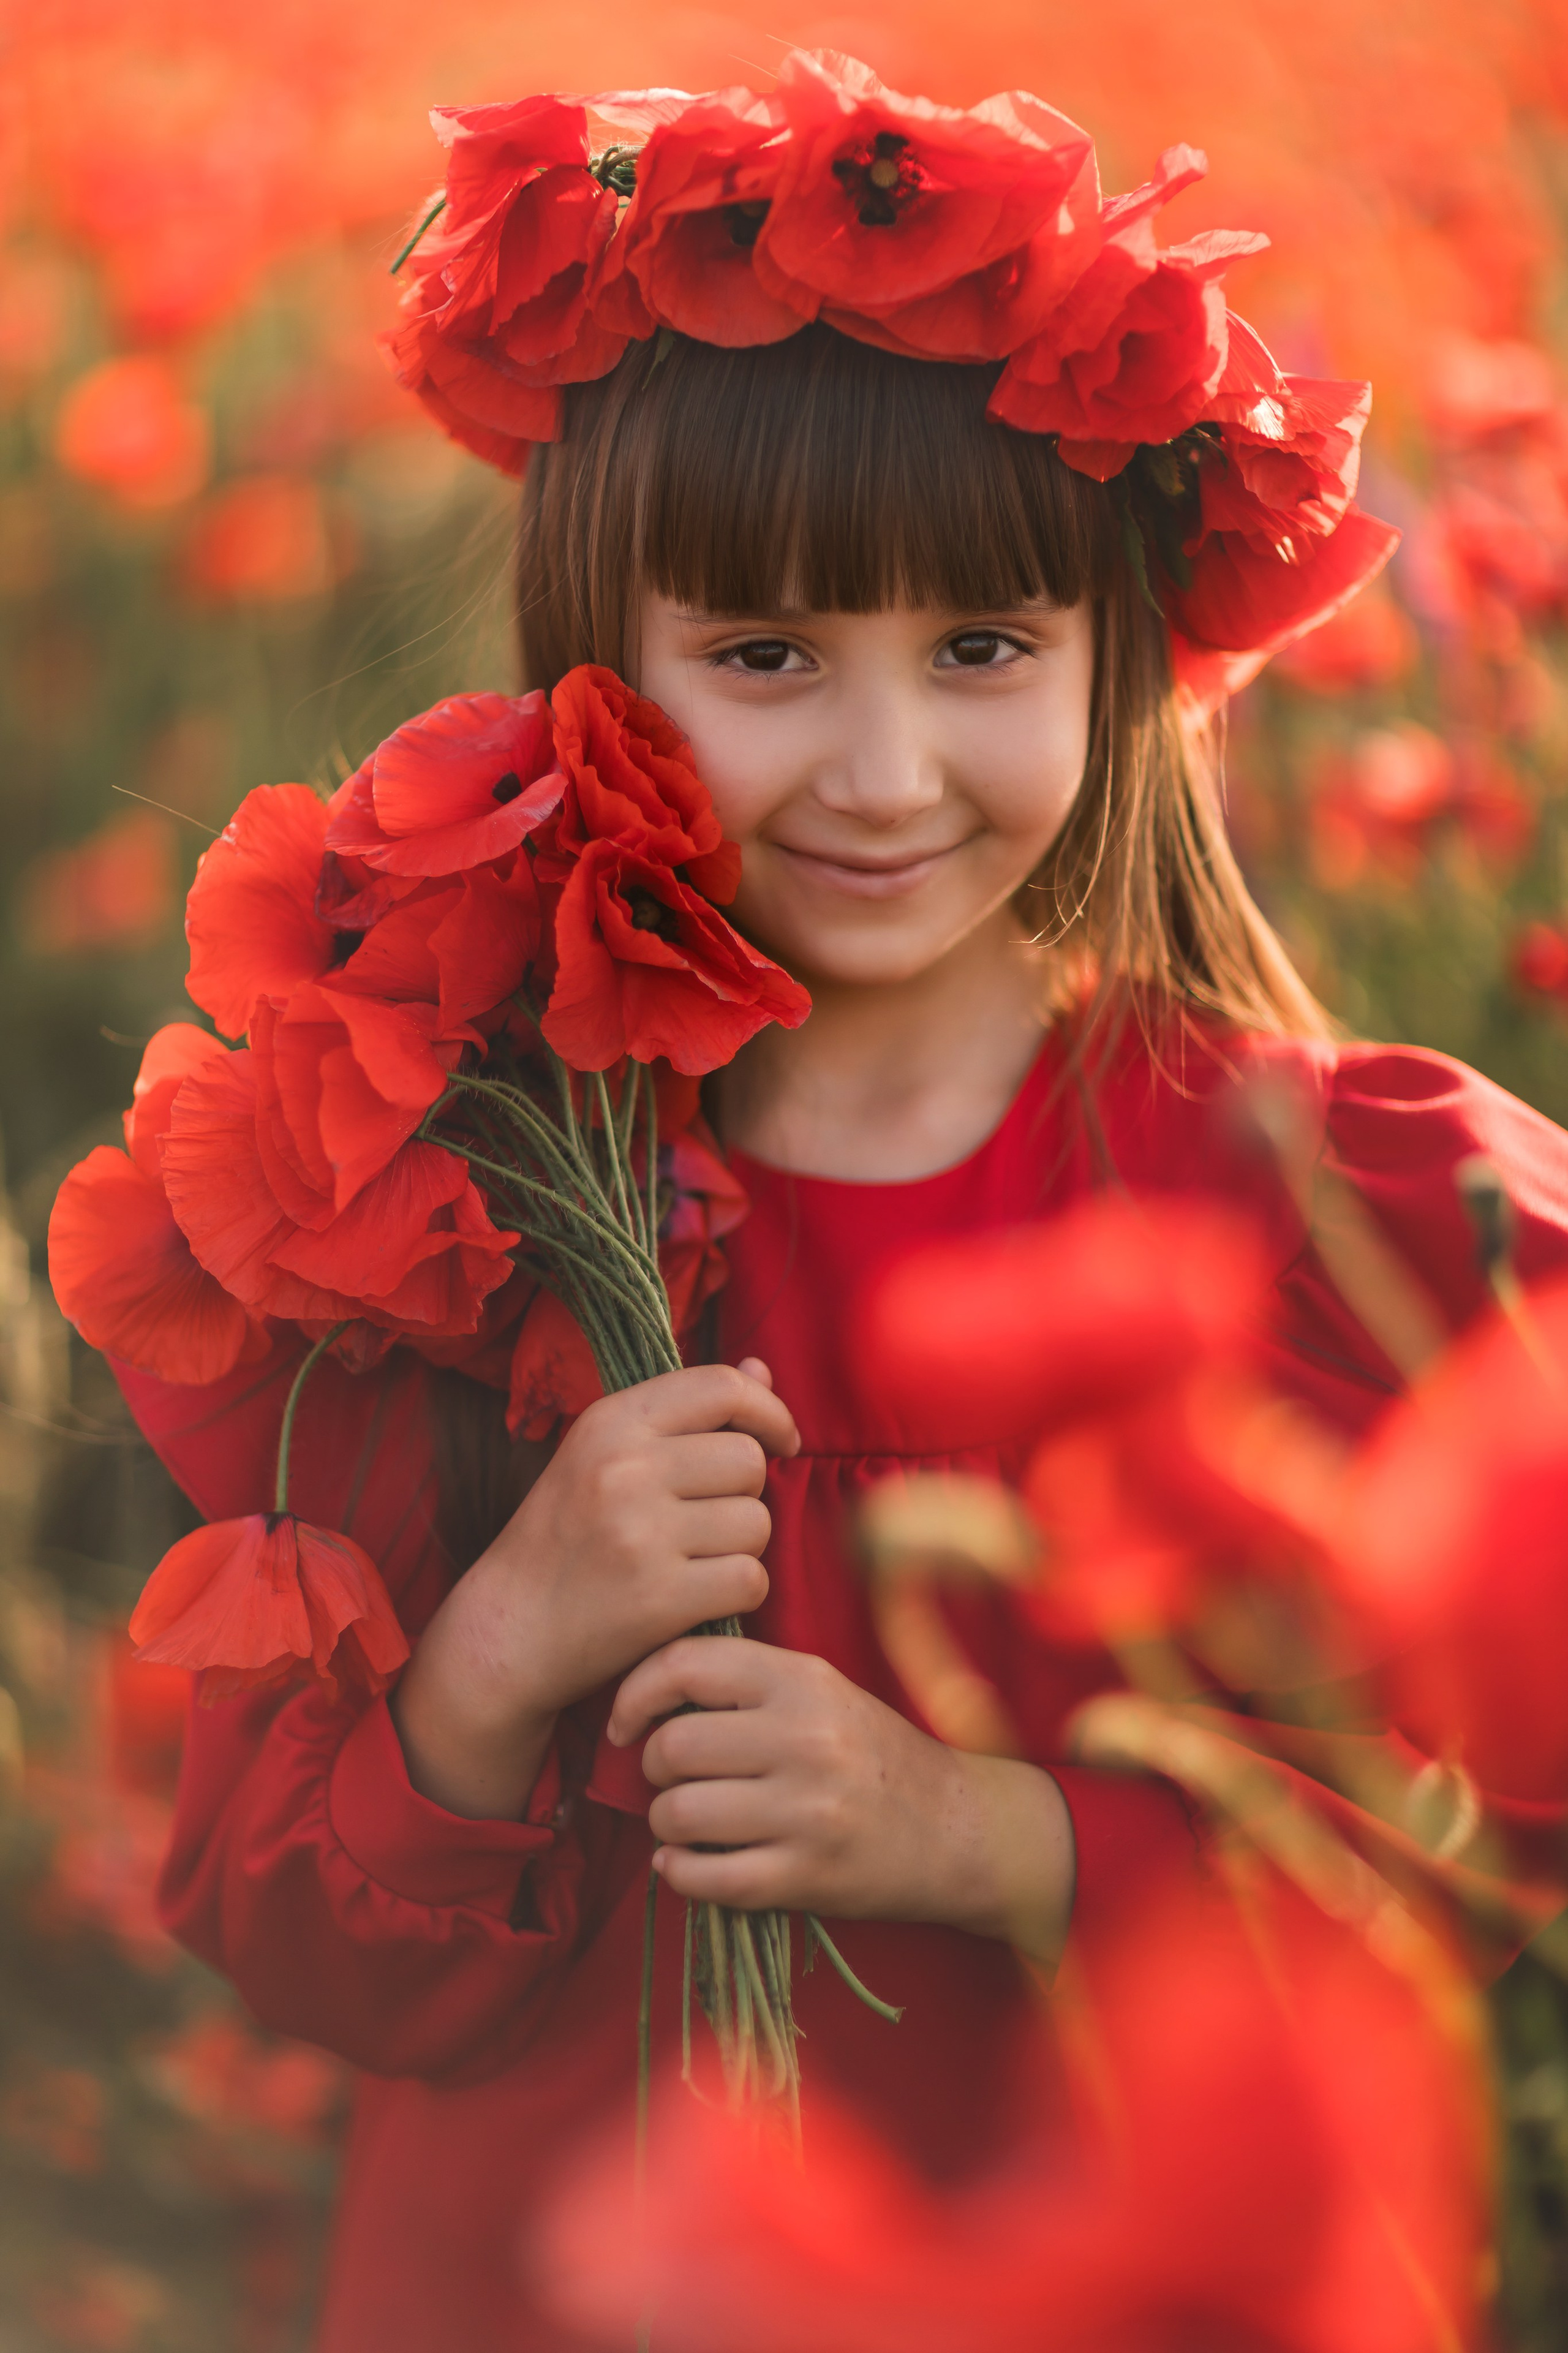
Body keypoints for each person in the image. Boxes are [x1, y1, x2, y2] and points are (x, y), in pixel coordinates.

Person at [107, 54, 1568, 2353]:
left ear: (1127, 665)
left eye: (982, 651)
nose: (883, 775)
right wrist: (508, 1637)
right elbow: (284, 1935)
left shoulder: (1333, 1203)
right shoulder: (445, 1214)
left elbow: (1501, 1849)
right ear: (601, 661)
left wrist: (984, 1834)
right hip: (537, 2291)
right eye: (766, 656)